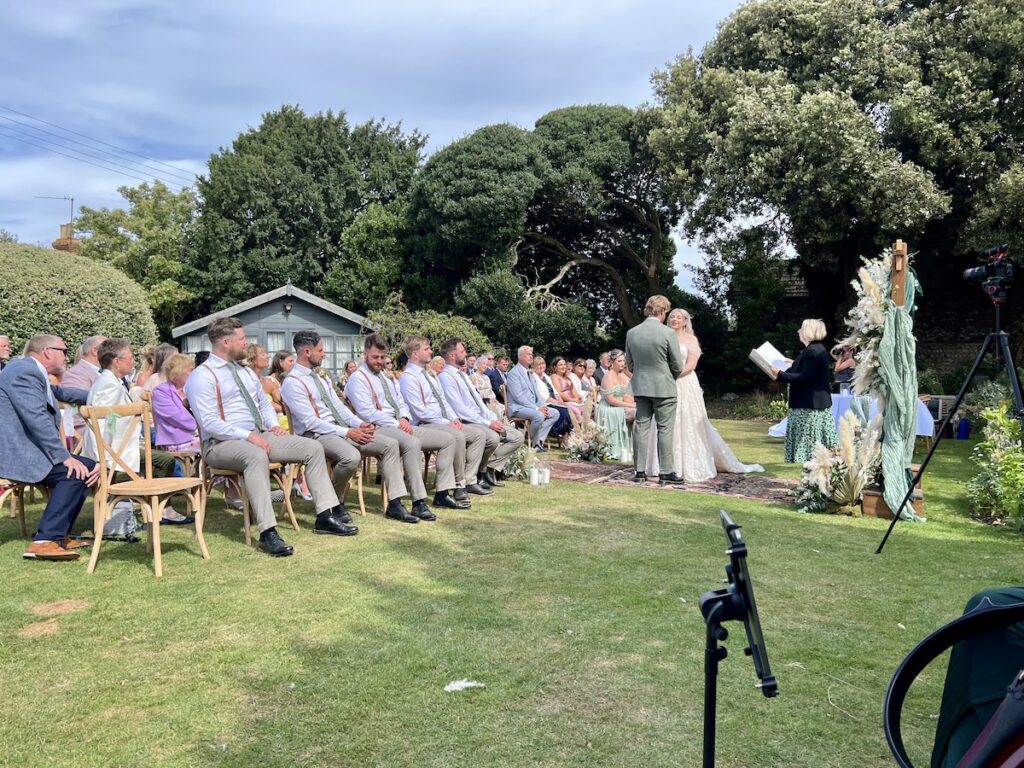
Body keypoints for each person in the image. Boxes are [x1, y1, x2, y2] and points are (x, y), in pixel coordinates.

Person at [184, 317, 356, 556]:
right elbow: (209, 423)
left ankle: (325, 516)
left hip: (259, 435)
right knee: (255, 456)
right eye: (242, 339)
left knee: (312, 447)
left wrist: (273, 425)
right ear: (225, 342)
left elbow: (263, 405)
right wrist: (248, 436)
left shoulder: (244, 372)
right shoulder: (202, 376)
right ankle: (268, 532)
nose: (247, 343)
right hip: (220, 444)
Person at [281, 330, 421, 520]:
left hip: (338, 430)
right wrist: (348, 432)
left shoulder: (320, 377)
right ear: (307, 352)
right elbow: (310, 422)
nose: (324, 354)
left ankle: (395, 504)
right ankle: (335, 502)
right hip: (315, 434)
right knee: (351, 456)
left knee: (390, 445)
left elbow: (339, 406)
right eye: (321, 350)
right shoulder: (292, 382)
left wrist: (359, 423)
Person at [346, 333, 467, 518]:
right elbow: (367, 413)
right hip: (377, 427)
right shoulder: (358, 378)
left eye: (382, 357)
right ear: (365, 354)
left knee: (449, 439)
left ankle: (443, 492)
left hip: (398, 424)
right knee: (411, 443)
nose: (379, 361)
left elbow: (400, 401)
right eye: (375, 357)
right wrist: (397, 422)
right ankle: (415, 502)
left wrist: (403, 417)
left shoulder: (386, 377)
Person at [0, 334, 98, 560]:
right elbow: (37, 418)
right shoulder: (23, 372)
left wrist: (101, 396)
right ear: (47, 352)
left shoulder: (32, 372)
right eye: (63, 351)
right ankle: (44, 541)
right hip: (17, 454)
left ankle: (60, 533)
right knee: (73, 471)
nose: (66, 356)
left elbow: (60, 394)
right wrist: (64, 456)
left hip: (27, 449)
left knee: (89, 466)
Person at [646, 309, 763, 482]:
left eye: (678, 317)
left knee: (687, 419)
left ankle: (688, 463)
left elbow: (691, 364)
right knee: (664, 421)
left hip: (684, 382)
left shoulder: (691, 339)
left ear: (685, 321)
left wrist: (672, 376)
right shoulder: (663, 336)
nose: (674, 319)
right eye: (672, 317)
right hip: (665, 384)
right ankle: (663, 465)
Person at [83, 338, 189, 527]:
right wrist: (103, 458)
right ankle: (163, 509)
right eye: (130, 358)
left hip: (115, 448)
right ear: (117, 361)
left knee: (161, 458)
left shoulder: (111, 381)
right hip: (113, 451)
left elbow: (109, 420)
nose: (133, 361)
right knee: (166, 460)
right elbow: (102, 422)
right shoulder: (108, 384)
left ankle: (157, 507)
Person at [399, 336, 491, 498]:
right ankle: (456, 486)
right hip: (422, 424)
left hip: (439, 421)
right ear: (414, 354)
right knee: (456, 436)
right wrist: (445, 422)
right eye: (426, 349)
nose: (431, 351)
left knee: (477, 434)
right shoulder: (408, 378)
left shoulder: (428, 375)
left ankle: (467, 481)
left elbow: (443, 402)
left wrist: (453, 418)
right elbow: (421, 411)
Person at [438, 338, 524, 488]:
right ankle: (474, 476)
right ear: (452, 355)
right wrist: (487, 423)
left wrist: (492, 418)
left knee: (517, 437)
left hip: (480, 418)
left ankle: (488, 467)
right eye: (462, 351)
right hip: (466, 421)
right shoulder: (446, 377)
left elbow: (478, 402)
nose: (465, 354)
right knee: (491, 437)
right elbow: (460, 410)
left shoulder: (462, 376)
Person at [625, 295, 686, 485]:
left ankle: (639, 471)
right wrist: (669, 377)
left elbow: (630, 363)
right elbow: (677, 364)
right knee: (665, 430)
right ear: (661, 311)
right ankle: (666, 472)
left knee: (641, 428)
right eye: (665, 312)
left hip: (641, 387)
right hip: (664, 388)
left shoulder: (632, 333)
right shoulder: (667, 333)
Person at [772, 318, 836, 463]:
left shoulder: (813, 351)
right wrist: (793, 363)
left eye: (801, 328)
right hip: (810, 403)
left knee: (809, 440)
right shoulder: (812, 350)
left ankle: (811, 476)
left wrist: (780, 374)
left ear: (808, 332)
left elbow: (806, 377)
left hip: (809, 404)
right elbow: (808, 370)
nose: (798, 331)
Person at [506, 345, 559, 452]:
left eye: (532, 354)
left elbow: (536, 395)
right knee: (539, 415)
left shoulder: (530, 373)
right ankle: (530, 440)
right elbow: (518, 396)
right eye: (528, 354)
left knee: (555, 413)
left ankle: (538, 442)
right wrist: (536, 409)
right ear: (520, 357)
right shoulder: (513, 373)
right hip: (518, 408)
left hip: (532, 407)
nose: (531, 357)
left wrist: (542, 406)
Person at [152, 353, 200, 453]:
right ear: (177, 372)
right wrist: (202, 426)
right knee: (216, 447)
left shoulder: (192, 389)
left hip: (197, 437)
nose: (195, 373)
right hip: (177, 441)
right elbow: (176, 417)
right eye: (191, 370)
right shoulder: (160, 392)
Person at [596, 349, 636, 463]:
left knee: (641, 411)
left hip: (622, 406)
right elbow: (610, 399)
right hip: (609, 409)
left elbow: (627, 395)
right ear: (612, 362)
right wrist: (629, 405)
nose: (623, 363)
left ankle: (635, 447)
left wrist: (632, 402)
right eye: (619, 361)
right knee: (636, 412)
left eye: (624, 361)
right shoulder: (608, 376)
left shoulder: (624, 376)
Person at [61, 334, 105, 434]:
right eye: (108, 350)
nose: (113, 354)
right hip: (92, 436)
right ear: (95, 351)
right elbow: (75, 416)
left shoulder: (101, 372)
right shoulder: (76, 374)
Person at [531, 356, 573, 438]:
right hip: (544, 403)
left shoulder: (546, 376)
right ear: (533, 366)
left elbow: (555, 392)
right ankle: (560, 435)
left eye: (542, 364)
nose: (541, 366)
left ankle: (566, 436)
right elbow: (542, 396)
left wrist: (561, 402)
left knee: (566, 408)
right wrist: (557, 403)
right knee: (563, 411)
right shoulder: (533, 377)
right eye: (538, 365)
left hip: (553, 401)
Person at [550, 357, 584, 421]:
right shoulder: (554, 377)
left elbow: (573, 390)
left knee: (585, 410)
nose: (563, 367)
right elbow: (559, 392)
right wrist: (572, 400)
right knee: (578, 412)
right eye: (560, 365)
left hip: (573, 401)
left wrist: (578, 398)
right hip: (565, 402)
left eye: (564, 364)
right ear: (555, 367)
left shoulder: (567, 378)